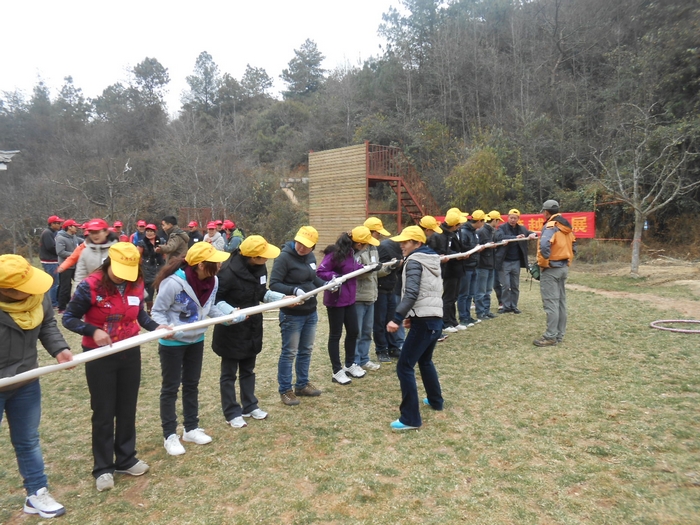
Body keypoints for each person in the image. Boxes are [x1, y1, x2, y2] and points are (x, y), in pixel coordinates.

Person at [62, 243, 168, 491]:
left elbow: (139, 314)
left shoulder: (136, 283)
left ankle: (126, 459)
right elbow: (69, 318)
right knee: (104, 411)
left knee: (127, 407)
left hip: (129, 351)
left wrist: (156, 327)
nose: (122, 277)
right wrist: (92, 331)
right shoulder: (90, 286)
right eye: (119, 272)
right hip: (100, 355)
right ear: (109, 263)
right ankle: (103, 468)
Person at [0, 254, 73, 518]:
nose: (34, 290)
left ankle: (36, 492)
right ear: (6, 290)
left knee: (28, 440)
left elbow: (48, 326)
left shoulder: (37, 296)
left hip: (26, 381)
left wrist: (60, 349)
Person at [151, 242, 232, 455]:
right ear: (201, 265)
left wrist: (228, 317)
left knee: (191, 384)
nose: (220, 265)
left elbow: (210, 308)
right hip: (172, 343)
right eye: (215, 262)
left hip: (196, 340)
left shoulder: (213, 281)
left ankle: (191, 428)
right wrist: (166, 328)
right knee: (170, 388)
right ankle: (170, 435)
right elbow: (157, 312)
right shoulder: (173, 283)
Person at [212, 236, 283, 428]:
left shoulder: (260, 268)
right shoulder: (227, 272)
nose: (267, 259)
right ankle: (231, 412)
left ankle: (250, 405)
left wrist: (281, 298)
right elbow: (215, 299)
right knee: (229, 374)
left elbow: (260, 292)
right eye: (263, 256)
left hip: (252, 328)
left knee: (248, 369)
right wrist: (231, 312)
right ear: (252, 257)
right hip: (231, 329)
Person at [386, 226, 443, 431]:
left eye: (406, 242)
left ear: (418, 243)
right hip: (434, 318)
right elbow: (430, 291)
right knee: (425, 361)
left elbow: (411, 293)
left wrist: (397, 318)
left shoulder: (414, 261)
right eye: (401, 242)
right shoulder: (432, 259)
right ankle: (436, 400)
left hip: (425, 321)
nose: (402, 245)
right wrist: (412, 315)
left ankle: (410, 419)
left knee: (404, 366)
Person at [269, 226, 326, 406]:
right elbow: (274, 284)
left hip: (310, 311)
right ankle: (285, 390)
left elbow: (312, 278)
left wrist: (326, 284)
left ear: (313, 246)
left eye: (306, 246)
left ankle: (302, 384)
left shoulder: (310, 257)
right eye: (299, 243)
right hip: (292, 315)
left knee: (306, 350)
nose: (301, 248)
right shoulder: (284, 258)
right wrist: (293, 290)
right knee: (289, 352)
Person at [317, 226, 379, 385]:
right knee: (335, 335)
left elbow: (353, 269)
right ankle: (337, 371)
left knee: (353, 331)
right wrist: (336, 277)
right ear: (359, 244)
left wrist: (368, 268)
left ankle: (350, 364)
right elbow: (321, 271)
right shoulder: (334, 253)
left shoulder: (351, 253)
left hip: (350, 299)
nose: (366, 247)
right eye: (365, 244)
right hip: (336, 301)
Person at [534, 200, 577, 347]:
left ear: (546, 212)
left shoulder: (551, 226)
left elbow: (544, 245)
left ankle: (550, 336)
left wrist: (545, 262)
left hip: (551, 269)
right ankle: (559, 335)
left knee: (551, 303)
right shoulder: (566, 226)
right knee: (560, 303)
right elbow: (574, 245)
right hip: (563, 267)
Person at [354, 217, 392, 372]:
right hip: (358, 297)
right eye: (377, 233)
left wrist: (388, 268)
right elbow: (355, 273)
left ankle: (364, 359)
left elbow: (376, 271)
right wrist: (371, 269)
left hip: (372, 295)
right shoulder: (356, 249)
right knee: (356, 332)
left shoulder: (374, 248)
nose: (380, 236)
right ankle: (354, 361)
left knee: (366, 331)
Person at [428, 208, 466, 334]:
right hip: (448, 269)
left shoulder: (452, 234)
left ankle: (453, 321)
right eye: (458, 224)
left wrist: (460, 254)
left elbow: (451, 250)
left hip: (456, 267)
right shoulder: (438, 235)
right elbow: (437, 251)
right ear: (453, 225)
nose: (460, 226)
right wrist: (453, 256)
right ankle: (445, 322)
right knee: (448, 297)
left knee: (454, 296)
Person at [493, 209, 537, 314]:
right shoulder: (502, 228)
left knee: (515, 285)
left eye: (515, 218)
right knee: (505, 285)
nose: (513, 220)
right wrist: (515, 237)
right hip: (504, 261)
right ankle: (505, 306)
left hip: (516, 262)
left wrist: (533, 234)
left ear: (518, 219)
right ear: (508, 218)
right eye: (511, 218)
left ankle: (514, 306)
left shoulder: (521, 228)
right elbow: (498, 237)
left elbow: (530, 233)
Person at [373, 234, 404, 363]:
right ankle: (381, 349)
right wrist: (392, 266)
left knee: (391, 319)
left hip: (391, 288)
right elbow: (375, 270)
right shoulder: (384, 248)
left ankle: (393, 347)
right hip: (380, 289)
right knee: (379, 321)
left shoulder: (398, 248)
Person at [456, 211, 484, 327]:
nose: (483, 224)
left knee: (470, 293)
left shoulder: (474, 232)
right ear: (479, 221)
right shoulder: (464, 232)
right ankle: (463, 317)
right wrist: (475, 248)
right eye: (483, 221)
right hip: (466, 266)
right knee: (464, 294)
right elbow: (463, 248)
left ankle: (468, 316)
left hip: (474, 265)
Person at [74, 219, 118, 286]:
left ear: (106, 232)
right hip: (92, 289)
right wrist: (77, 291)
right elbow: (80, 276)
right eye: (92, 233)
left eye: (97, 232)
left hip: (113, 289)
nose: (94, 235)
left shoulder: (117, 250)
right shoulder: (85, 252)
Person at [475, 212, 499, 320]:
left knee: (488, 290)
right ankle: (480, 312)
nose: (498, 223)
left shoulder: (492, 231)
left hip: (491, 264)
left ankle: (486, 311)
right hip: (482, 264)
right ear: (494, 220)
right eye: (497, 221)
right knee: (481, 291)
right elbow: (476, 247)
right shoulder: (481, 231)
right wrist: (486, 246)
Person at [136, 224, 164, 313]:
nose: (149, 233)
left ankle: (160, 309)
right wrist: (142, 266)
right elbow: (138, 256)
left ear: (155, 232)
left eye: (151, 231)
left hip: (160, 268)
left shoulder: (161, 241)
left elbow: (165, 254)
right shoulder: (141, 243)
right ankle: (149, 310)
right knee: (149, 293)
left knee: (161, 291)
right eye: (147, 231)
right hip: (147, 270)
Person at [55, 219, 80, 313]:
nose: (76, 228)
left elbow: (82, 242)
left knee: (79, 284)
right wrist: (75, 255)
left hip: (75, 265)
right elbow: (60, 252)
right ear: (69, 227)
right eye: (75, 226)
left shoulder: (74, 237)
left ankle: (72, 303)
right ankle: (61, 307)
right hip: (65, 266)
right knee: (65, 287)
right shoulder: (60, 238)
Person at [39, 215, 63, 308]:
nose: (59, 225)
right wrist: (60, 252)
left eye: (59, 223)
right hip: (50, 261)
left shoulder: (53, 232)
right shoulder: (47, 233)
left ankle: (53, 301)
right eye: (57, 223)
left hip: (52, 260)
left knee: (54, 283)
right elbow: (50, 247)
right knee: (53, 283)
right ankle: (52, 303)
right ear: (51, 224)